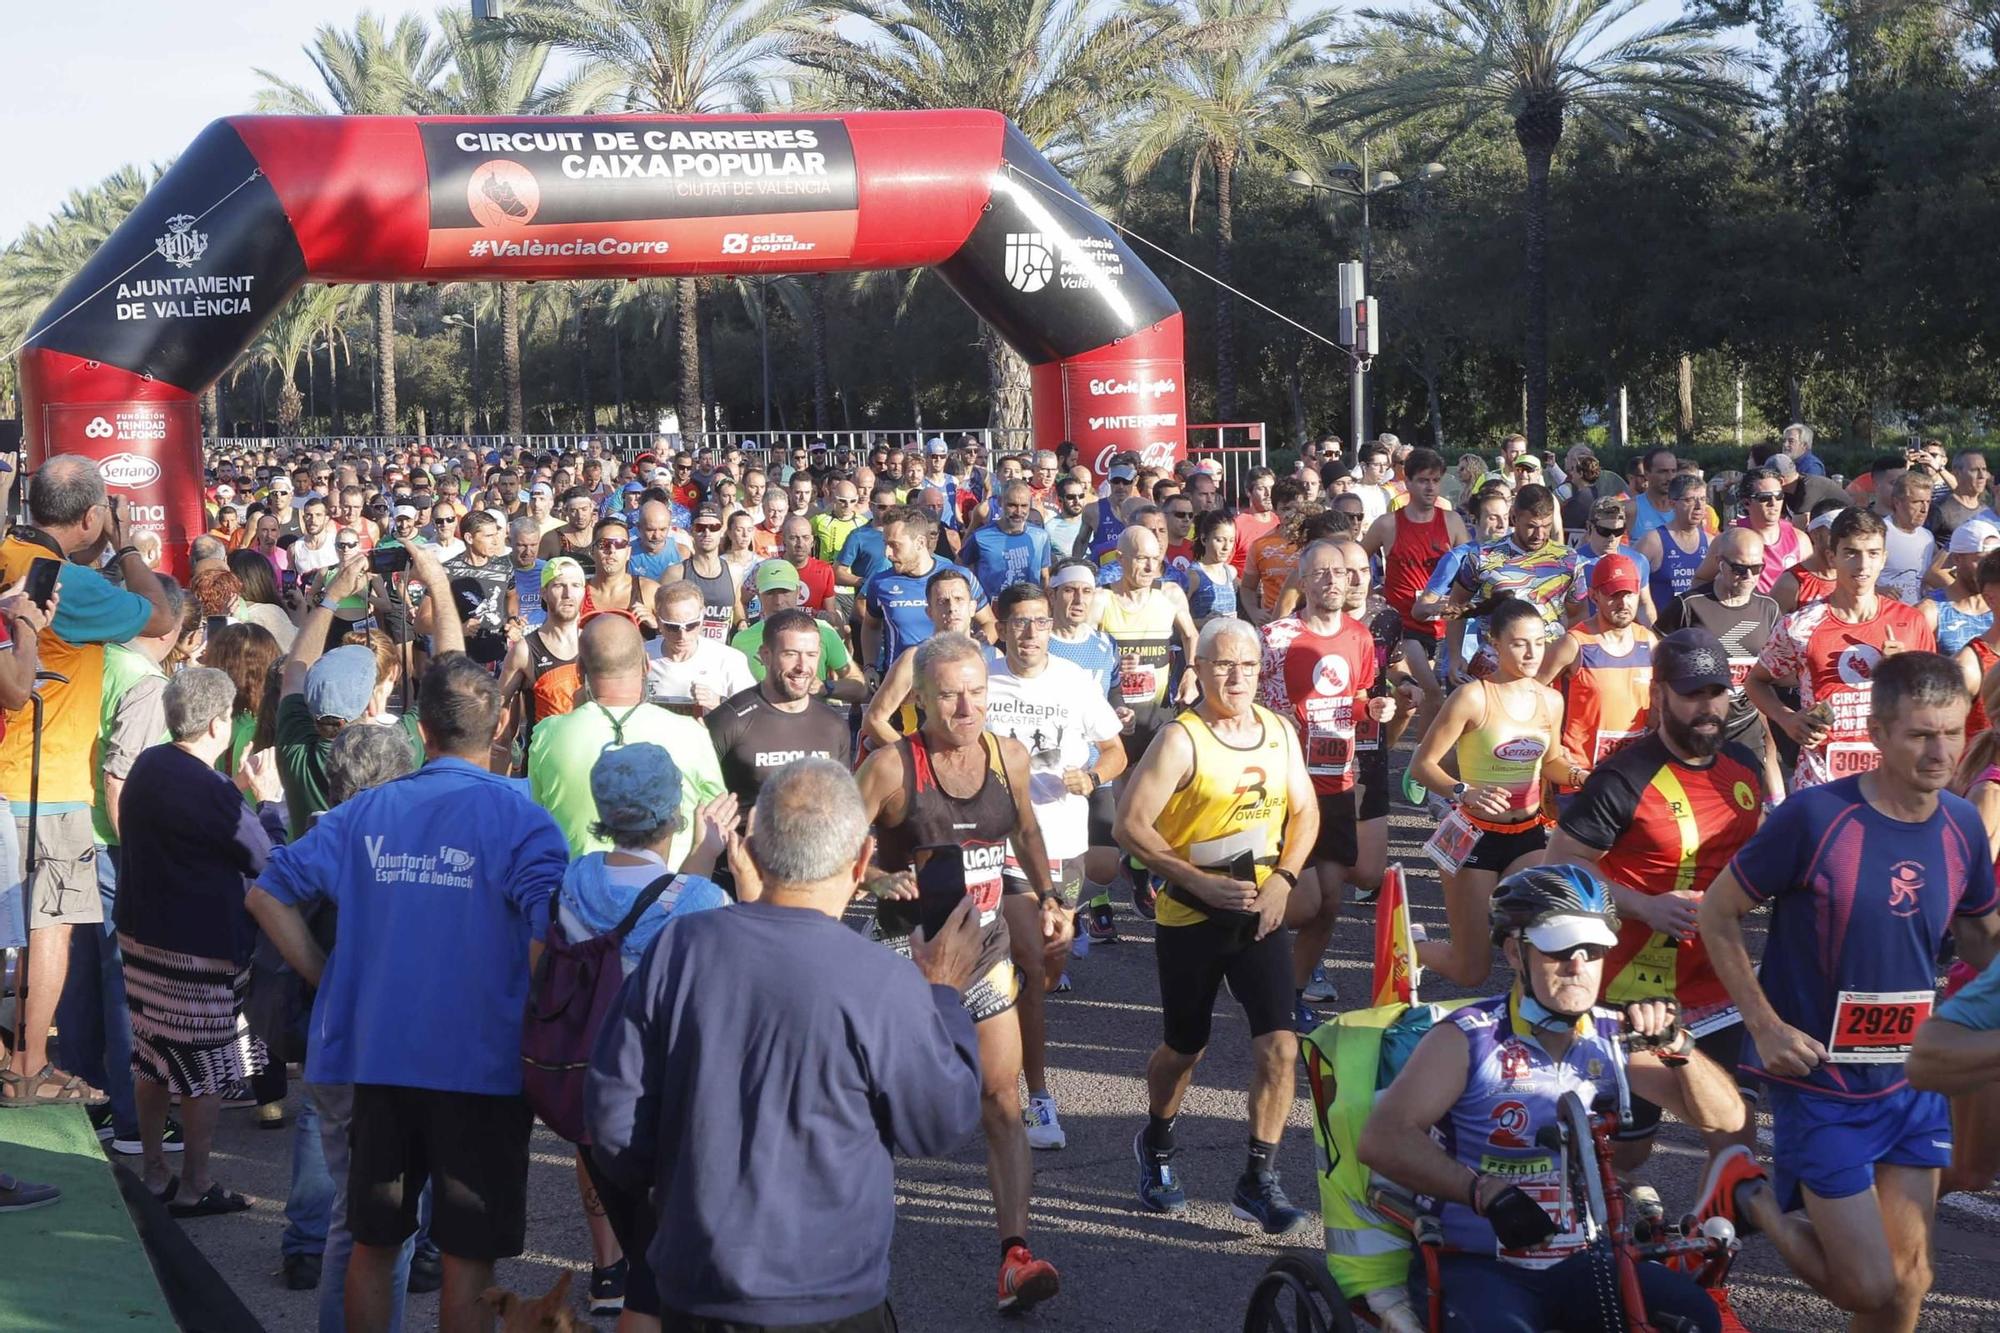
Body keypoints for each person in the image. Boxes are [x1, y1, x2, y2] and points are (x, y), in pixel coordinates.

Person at [587, 758, 985, 1331]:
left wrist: (675, 1191)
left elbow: (614, 1119)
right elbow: (940, 1122)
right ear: (862, 861)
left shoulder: (681, 949)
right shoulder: (881, 980)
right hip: (832, 1296)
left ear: (748, 848)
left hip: (695, 1283)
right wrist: (944, 995)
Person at [247, 654, 567, 1333]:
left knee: (375, 1239)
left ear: (422, 730)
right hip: (482, 1066)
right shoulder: (526, 821)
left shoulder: (366, 812)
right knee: (467, 1257)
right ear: (503, 721)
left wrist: (325, 972)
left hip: (379, 1058)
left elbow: (267, 891)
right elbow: (547, 936)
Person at [1697, 651, 2000, 1332]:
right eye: (1922, 734)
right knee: (1866, 1285)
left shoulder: (1960, 826)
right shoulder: (1815, 818)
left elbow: (1982, 939)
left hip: (1911, 1080)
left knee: (1910, 1280)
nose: (1941, 750)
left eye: (1952, 732)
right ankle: (1751, 1198)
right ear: (1881, 735)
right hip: (1823, 1083)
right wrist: (1766, 1026)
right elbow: (1718, 913)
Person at [1357, 865, 1741, 1333]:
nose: (1578, 966)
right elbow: (1383, 1139)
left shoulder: (1613, 1037)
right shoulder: (1467, 1039)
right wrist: (1482, 1192)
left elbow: (1727, 1121)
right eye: (1560, 949)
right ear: (1516, 952)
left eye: (1593, 950)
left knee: (1696, 1318)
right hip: (1479, 1262)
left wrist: (1680, 1047)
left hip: (1586, 1261)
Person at [854, 632, 1064, 1309]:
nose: (966, 706)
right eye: (948, 693)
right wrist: (880, 878)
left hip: (983, 945)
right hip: (902, 949)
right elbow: (841, 848)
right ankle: (854, 1244)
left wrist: (1053, 896)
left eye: (976, 691)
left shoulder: (1008, 755)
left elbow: (1027, 830)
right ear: (918, 702)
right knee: (878, 1103)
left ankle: (1014, 1256)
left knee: (1001, 1097)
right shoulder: (891, 767)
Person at [1542, 629, 1766, 1193]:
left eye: (1717, 692)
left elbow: (1755, 853)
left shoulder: (1744, 767)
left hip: (1717, 982)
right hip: (1630, 991)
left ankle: (1717, 1249)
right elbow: (1562, 864)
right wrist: (1645, 905)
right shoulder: (1624, 777)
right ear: (1661, 693)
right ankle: (1596, 1229)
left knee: (1734, 1124)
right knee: (1630, 1151)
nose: (1707, 707)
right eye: (1692, 694)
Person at [1118, 617, 1317, 1233]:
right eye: (1223, 665)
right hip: (1192, 912)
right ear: (1198, 669)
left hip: (1258, 909)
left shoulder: (1280, 731)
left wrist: (1283, 879)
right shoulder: (1183, 738)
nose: (1236, 677)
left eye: (1248, 666)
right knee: (1186, 1047)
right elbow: (1130, 824)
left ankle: (1259, 1179)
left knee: (1281, 1047)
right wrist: (1197, 880)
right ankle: (1156, 1141)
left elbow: (1305, 812)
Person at [0, 455, 177, 1109]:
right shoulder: (74, 583)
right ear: (91, 514)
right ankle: (32, 1066)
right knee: (52, 926)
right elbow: (159, 617)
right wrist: (127, 545)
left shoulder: (10, 550)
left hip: (10, 772)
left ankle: (12, 1058)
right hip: (48, 782)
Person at [558, 743, 739, 1318]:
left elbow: (649, 895)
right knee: (675, 1271)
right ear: (674, 813)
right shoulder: (705, 901)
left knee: (643, 1267)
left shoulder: (576, 880)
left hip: (592, 1091)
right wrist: (710, 853)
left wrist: (700, 855)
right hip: (670, 1106)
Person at [115, 667, 274, 1217]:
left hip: (141, 936)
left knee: (153, 1056)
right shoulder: (206, 788)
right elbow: (264, 858)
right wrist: (266, 802)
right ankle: (195, 1183)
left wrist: (239, 791)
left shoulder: (150, 764)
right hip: (197, 946)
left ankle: (155, 1170)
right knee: (202, 1067)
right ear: (216, 725)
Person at [983, 584, 1125, 1146]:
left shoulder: (1075, 681)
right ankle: (1034, 1096)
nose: (1030, 633)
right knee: (1023, 961)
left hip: (1061, 838)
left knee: (1044, 965)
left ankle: (1001, 1055)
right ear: (1001, 627)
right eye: (1019, 622)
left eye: (1039, 623)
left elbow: (1115, 751)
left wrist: (1091, 778)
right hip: (995, 842)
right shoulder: (983, 677)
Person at [1257, 541, 1397, 1029]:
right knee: (1301, 900)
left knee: (1330, 902)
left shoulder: (1359, 637)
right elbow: (1245, 703)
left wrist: (1373, 710)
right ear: (1303, 579)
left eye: (1340, 573)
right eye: (1321, 574)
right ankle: (1250, 963)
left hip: (1337, 780)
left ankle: (1290, 996)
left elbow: (1355, 699)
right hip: (1285, 787)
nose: (1333, 582)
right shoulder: (1274, 639)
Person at [1410, 597, 1583, 986]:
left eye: (1539, 642)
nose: (1531, 653)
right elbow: (1421, 766)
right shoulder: (1473, 697)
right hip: (1473, 838)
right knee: (1471, 971)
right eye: (1520, 643)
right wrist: (1463, 791)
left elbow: (1552, 762)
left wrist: (1579, 776)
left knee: (1542, 947)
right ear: (1495, 643)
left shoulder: (1551, 700)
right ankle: (1410, 944)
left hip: (1529, 837)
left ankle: (1529, 1029)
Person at [1748, 507, 1937, 791]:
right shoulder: (1800, 625)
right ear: (1832, 556)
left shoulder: (1910, 622)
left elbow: (1934, 703)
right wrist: (1786, 718)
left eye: (1873, 553)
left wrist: (1905, 671)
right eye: (1851, 552)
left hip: (1892, 777)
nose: (1863, 565)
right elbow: (1755, 681)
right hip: (1821, 778)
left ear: (1884, 558)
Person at [528, 615, 726, 863]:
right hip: (668, 894)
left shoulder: (548, 733)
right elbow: (717, 821)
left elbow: (539, 817)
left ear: (579, 670)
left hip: (578, 894)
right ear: (647, 664)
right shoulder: (691, 733)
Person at [1657, 527, 1787, 796]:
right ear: (1720, 563)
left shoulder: (1768, 608)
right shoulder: (1690, 605)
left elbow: (1778, 669)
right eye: (1740, 568)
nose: (1748, 577)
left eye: (1757, 568)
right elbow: (1656, 654)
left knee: (1747, 801)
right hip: (1698, 725)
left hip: (1746, 726)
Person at [706, 609, 853, 810]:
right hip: (746, 839)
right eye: (790, 654)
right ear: (765, 655)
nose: (803, 666)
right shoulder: (730, 719)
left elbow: (841, 805)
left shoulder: (833, 724)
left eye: (811, 655)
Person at [1537, 553, 1656, 795]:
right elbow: (1529, 695)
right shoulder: (1573, 644)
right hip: (1578, 778)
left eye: (1629, 594)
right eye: (1614, 595)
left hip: (1630, 777)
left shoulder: (1648, 641)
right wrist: (1549, 745)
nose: (1623, 604)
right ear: (1594, 595)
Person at [1443, 484, 1581, 682]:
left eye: (1546, 526)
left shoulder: (1569, 560)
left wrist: (1562, 656)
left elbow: (1579, 613)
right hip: (1495, 669)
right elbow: (1456, 606)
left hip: (1549, 672)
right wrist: (1456, 656)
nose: (1540, 535)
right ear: (1514, 518)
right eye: (1532, 526)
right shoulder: (1482, 557)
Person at [858, 505, 990, 679]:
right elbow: (870, 626)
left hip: (950, 679)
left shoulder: (958, 577)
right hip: (901, 686)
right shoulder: (880, 583)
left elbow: (989, 622)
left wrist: (979, 645)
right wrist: (870, 666)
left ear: (920, 542)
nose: (887, 553)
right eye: (885, 545)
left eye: (894, 545)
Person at [493, 556, 586, 764]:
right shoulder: (525, 650)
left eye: (575, 585)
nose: (568, 593)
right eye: (558, 585)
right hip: (544, 766)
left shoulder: (595, 644)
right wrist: (506, 743)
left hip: (588, 763)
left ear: (584, 592)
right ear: (543, 592)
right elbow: (498, 703)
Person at [644, 580, 757, 714]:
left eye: (691, 625)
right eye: (672, 627)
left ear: (703, 616)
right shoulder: (641, 656)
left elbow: (753, 712)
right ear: (659, 622)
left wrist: (720, 702)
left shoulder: (729, 660)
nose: (683, 635)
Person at [1634, 473, 1711, 620]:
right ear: (1672, 504)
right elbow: (1632, 591)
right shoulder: (1653, 542)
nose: (1699, 507)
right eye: (1689, 500)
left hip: (1699, 631)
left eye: (1702, 499)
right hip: (1663, 632)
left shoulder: (1711, 543)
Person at [965, 481, 1054, 601]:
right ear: (1000, 502)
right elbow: (962, 568)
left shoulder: (1041, 537)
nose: (1018, 512)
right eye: (1012, 505)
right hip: (993, 613)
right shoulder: (980, 537)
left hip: (1029, 608)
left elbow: (1045, 577)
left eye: (1024, 506)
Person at [1932, 519, 1999, 657]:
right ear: (1957, 559)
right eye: (1981, 560)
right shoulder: (1932, 612)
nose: (1989, 570)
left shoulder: (1997, 604)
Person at [681, 503, 745, 641]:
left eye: (713, 527)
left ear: (722, 531)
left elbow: (735, 604)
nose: (707, 533)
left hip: (721, 653)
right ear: (691, 530)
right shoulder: (676, 573)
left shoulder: (735, 571)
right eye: (700, 527)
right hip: (688, 654)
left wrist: (741, 622)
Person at [1876, 469, 1938, 605]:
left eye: (1928, 502)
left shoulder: (1927, 537)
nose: (1924, 509)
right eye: (1917, 502)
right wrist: (1877, 591)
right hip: (1884, 613)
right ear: (1897, 502)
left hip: (1915, 616)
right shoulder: (1878, 532)